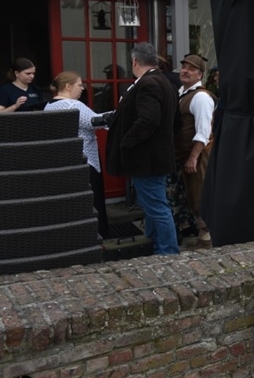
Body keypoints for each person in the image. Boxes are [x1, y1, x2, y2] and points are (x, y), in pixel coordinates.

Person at [105, 42, 180, 255]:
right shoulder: (165, 82)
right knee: (153, 206)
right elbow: (174, 122)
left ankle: (168, 252)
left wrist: (126, 141)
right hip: (155, 156)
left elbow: (149, 119)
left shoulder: (149, 84)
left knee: (157, 207)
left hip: (146, 159)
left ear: (135, 61)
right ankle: (154, 243)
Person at [44, 71, 110, 237]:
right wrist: (120, 113)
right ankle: (97, 234)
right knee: (92, 199)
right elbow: (95, 121)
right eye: (79, 85)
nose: (82, 89)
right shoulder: (73, 105)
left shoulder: (49, 106)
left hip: (64, 160)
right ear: (68, 86)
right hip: (85, 159)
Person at [172, 54, 217, 247]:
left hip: (199, 156)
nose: (185, 71)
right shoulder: (182, 93)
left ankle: (207, 239)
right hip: (185, 155)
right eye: (184, 67)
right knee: (192, 196)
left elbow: (203, 132)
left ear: (200, 75)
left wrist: (193, 157)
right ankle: (203, 236)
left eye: (191, 69)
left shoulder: (201, 97)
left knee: (200, 196)